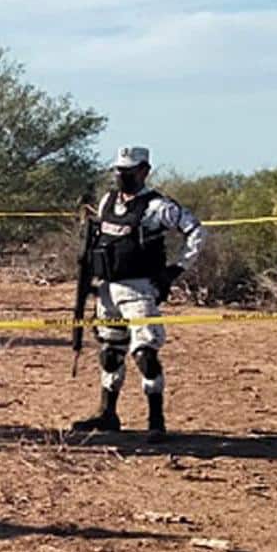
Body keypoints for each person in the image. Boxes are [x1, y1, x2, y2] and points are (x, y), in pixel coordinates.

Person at [71, 146, 206, 443]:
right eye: (118, 170)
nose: (121, 175)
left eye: (128, 171)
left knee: (145, 352)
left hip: (140, 290)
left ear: (144, 171)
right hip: (107, 289)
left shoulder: (157, 206)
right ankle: (107, 414)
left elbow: (196, 231)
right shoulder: (107, 201)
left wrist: (175, 270)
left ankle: (156, 420)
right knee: (110, 351)